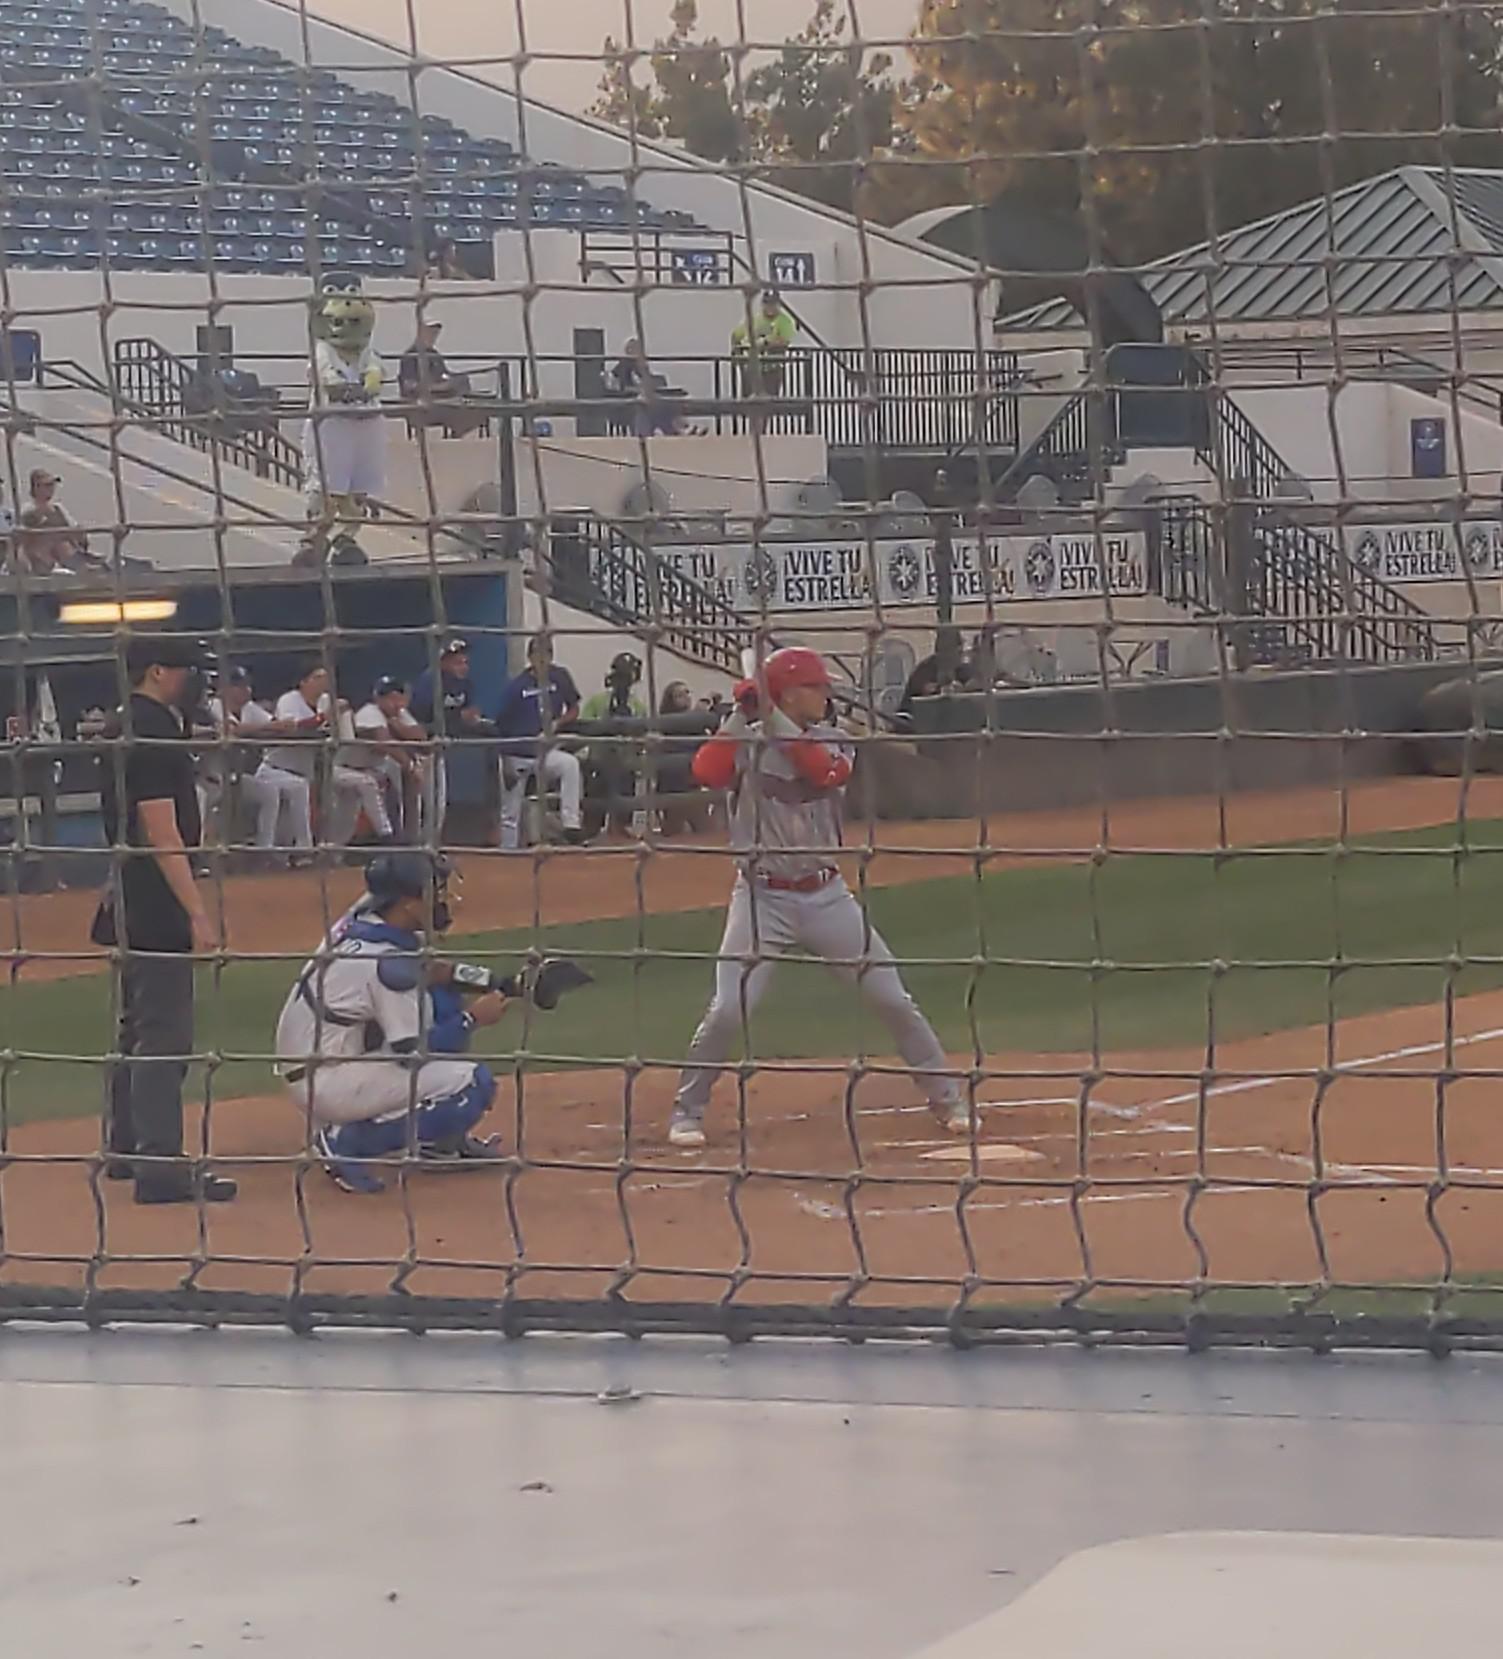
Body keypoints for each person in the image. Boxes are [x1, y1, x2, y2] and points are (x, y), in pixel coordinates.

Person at [666, 646, 978, 1149]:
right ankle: (687, 1111)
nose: (827, 693)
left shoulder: (835, 739)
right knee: (729, 1009)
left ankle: (947, 1098)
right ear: (790, 693)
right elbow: (705, 771)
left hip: (827, 897)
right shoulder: (747, 736)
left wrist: (771, 716)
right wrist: (740, 717)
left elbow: (822, 771)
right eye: (816, 686)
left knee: (891, 998)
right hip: (761, 899)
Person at [92, 636, 238, 1205]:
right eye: (186, 669)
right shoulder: (152, 730)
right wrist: (196, 911)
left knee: (135, 1025)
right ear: (157, 671)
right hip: (154, 897)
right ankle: (159, 1166)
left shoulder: (124, 722)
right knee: (165, 1032)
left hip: (127, 891)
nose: (194, 679)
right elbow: (161, 830)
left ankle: (126, 1149)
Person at [274, 853, 509, 1194]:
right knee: (473, 1084)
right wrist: (473, 1019)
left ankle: (440, 1143)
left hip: (317, 1056)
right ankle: (344, 1142)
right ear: (409, 903)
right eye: (437, 892)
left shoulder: (365, 918)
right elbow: (412, 1053)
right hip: (327, 1080)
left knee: (441, 999)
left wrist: (502, 983)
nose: (446, 900)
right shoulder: (387, 964)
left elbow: (435, 972)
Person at [261, 662, 394, 854]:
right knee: (288, 820)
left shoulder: (329, 701)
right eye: (317, 677)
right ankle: (301, 852)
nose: (323, 682)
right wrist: (324, 718)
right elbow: (293, 730)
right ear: (302, 682)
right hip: (277, 768)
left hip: (316, 769)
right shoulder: (289, 700)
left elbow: (346, 741)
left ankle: (333, 851)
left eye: (325, 677)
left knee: (350, 803)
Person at [494, 634, 587, 849]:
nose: (543, 660)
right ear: (530, 657)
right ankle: (508, 853)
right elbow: (500, 726)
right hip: (516, 753)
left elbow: (573, 708)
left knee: (569, 764)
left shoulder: (560, 677)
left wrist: (558, 722)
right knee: (510, 811)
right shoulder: (517, 686)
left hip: (543, 752)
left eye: (547, 654)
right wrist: (505, 759)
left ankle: (571, 824)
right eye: (538, 655)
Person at [198, 665, 294, 851]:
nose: (245, 690)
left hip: (236, 778)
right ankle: (201, 855)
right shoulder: (214, 706)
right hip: (210, 781)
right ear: (223, 689)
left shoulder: (249, 708)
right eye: (238, 686)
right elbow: (232, 729)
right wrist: (267, 728)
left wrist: (275, 726)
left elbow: (276, 725)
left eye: (246, 685)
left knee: (269, 792)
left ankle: (264, 850)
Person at [410, 637, 489, 841]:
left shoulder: (465, 685)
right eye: (458, 662)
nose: (464, 666)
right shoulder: (429, 682)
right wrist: (457, 718)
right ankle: (412, 847)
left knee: (438, 802)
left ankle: (430, 845)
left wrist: (472, 720)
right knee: (417, 804)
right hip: (418, 750)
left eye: (465, 662)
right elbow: (419, 720)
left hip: (439, 749)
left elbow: (464, 715)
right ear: (443, 662)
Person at [344, 675, 423, 841]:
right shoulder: (369, 712)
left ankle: (401, 839)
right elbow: (384, 743)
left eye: (398, 697)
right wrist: (410, 766)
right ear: (377, 698)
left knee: (392, 790)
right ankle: (389, 839)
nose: (394, 703)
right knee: (341, 825)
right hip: (345, 768)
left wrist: (398, 725)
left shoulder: (399, 714)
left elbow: (422, 739)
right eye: (388, 698)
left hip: (371, 769)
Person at [581, 652, 646, 836]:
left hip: (626, 767)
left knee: (622, 822)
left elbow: (642, 737)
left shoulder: (637, 706)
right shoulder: (598, 701)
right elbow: (585, 727)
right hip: (598, 764)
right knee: (592, 819)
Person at [398, 319, 483, 438]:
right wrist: (435, 388)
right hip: (423, 406)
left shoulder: (434, 355)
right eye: (430, 332)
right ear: (420, 332)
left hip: (442, 399)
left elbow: (444, 374)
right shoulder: (410, 356)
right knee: (456, 411)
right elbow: (409, 385)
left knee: (475, 410)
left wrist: (454, 381)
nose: (433, 336)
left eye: (435, 333)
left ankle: (454, 437)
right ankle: (453, 439)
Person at [14, 469, 108, 575]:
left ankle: (84, 564)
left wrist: (79, 532)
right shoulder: (29, 511)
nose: (51, 489)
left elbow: (72, 527)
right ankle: (80, 568)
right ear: (36, 487)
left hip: (62, 551)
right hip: (41, 556)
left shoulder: (57, 508)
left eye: (52, 485)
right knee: (59, 544)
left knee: (64, 544)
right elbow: (23, 539)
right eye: (47, 485)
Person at [607, 339, 682, 438]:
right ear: (629, 351)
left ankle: (677, 429)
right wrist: (641, 390)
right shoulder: (624, 366)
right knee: (657, 407)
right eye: (637, 350)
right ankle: (675, 430)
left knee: (665, 404)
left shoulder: (639, 365)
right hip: (628, 403)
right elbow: (622, 387)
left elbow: (646, 379)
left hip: (645, 399)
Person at [730, 289, 797, 399]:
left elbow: (784, 341)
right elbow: (736, 335)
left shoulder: (785, 321)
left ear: (779, 304)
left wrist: (765, 342)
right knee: (749, 402)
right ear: (762, 304)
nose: (770, 307)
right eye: (767, 303)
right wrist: (736, 355)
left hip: (772, 369)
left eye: (773, 303)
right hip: (752, 369)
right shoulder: (754, 319)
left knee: (769, 403)